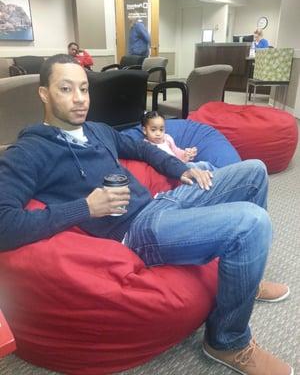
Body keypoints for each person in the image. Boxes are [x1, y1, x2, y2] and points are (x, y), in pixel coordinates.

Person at [0, 54, 293, 375]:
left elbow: (141, 148)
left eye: (84, 89)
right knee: (252, 224)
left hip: (162, 202)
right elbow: (4, 223)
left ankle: (245, 281)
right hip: (140, 231)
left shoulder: (97, 130)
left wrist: (180, 169)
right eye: (66, 89)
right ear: (44, 93)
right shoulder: (28, 153)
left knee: (254, 171)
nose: (80, 99)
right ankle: (227, 340)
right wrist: (86, 207)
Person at [141, 111, 215, 171]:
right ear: (144, 130)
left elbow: (176, 151)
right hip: (171, 170)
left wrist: (186, 154)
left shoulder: (167, 138)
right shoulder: (146, 145)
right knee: (196, 167)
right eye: (153, 130)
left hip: (180, 165)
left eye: (161, 129)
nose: (158, 134)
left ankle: (221, 174)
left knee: (204, 165)